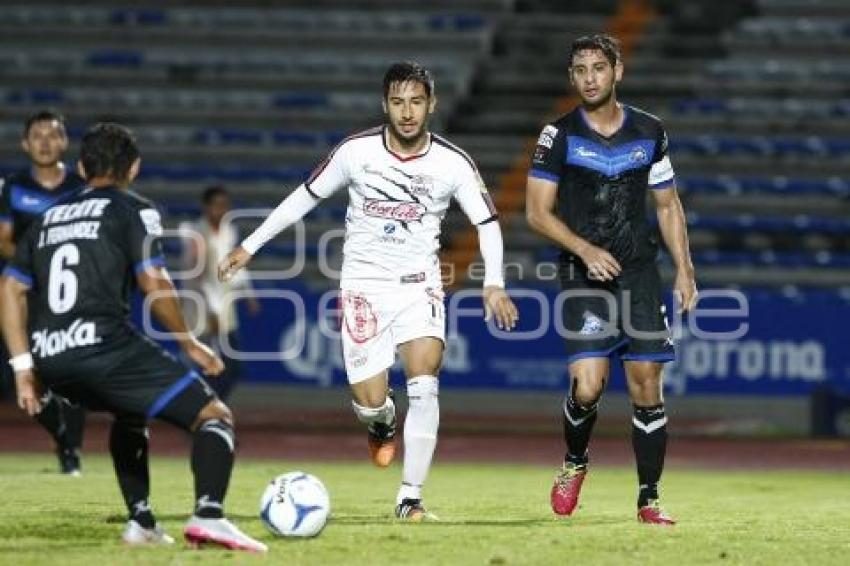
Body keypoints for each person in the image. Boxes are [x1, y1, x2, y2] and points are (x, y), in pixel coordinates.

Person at [219, 61, 519, 521]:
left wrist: (494, 283)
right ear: (385, 104)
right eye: (398, 102)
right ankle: (382, 424)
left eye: (416, 101)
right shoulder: (354, 152)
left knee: (424, 385)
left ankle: (410, 497)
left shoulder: (452, 162)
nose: (407, 112)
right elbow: (305, 196)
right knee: (369, 401)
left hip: (420, 287)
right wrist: (250, 244)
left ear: (431, 104)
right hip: (363, 288)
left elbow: (487, 222)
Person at [0, 123, 266, 552]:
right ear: (135, 168)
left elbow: (10, 289)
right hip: (103, 347)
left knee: (130, 414)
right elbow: (154, 282)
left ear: (83, 166)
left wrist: (23, 367)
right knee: (213, 415)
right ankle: (210, 516)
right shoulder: (133, 209)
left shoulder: (48, 217)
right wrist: (188, 342)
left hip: (51, 356)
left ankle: (141, 523)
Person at [525, 34, 697, 525]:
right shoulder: (557, 136)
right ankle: (575, 461)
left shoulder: (650, 130)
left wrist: (685, 269)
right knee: (587, 385)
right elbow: (536, 213)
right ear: (571, 76)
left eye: (598, 68)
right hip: (583, 272)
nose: (589, 78)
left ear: (617, 71)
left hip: (639, 274)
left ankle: (649, 499)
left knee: (647, 383)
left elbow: (667, 204)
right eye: (579, 69)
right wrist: (584, 249)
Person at [0, 109, 87, 475]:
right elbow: (3, 240)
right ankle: (64, 439)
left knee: (78, 375)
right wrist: (34, 262)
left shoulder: (80, 188)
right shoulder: (15, 187)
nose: (45, 142)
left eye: (52, 135)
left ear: (65, 142)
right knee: (30, 373)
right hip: (28, 294)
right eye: (37, 136)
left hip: (76, 293)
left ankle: (71, 451)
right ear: (25, 143)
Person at [179, 185, 260, 401]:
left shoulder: (228, 231)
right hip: (203, 311)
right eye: (216, 205)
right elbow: (199, 278)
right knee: (216, 366)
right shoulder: (197, 236)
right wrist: (211, 312)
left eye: (225, 205)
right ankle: (205, 408)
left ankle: (208, 407)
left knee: (229, 367)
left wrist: (248, 293)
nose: (221, 210)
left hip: (225, 310)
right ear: (206, 208)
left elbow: (235, 265)